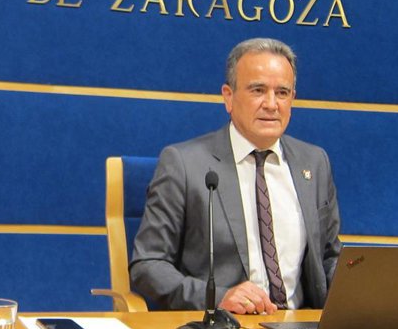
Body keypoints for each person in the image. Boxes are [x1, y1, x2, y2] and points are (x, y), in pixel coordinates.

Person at [129, 38, 342, 313]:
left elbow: (329, 258)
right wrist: (217, 299)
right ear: (228, 97)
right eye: (258, 90)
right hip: (225, 328)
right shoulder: (184, 164)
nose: (271, 104)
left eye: (282, 92)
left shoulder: (314, 162)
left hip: (301, 328)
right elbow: (148, 265)